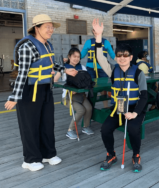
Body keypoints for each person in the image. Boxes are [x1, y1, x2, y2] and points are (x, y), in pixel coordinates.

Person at [4, 14, 77, 171]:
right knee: (30, 126)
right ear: (36, 28)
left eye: (52, 27)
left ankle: (48, 154)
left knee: (47, 123)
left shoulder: (48, 45)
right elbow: (22, 73)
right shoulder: (27, 46)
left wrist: (65, 69)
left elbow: (52, 64)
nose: (51, 30)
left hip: (45, 89)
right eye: (47, 27)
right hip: (29, 90)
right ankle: (30, 159)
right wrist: (15, 96)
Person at [92, 19, 148, 172]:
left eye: (125, 55)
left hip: (136, 108)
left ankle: (136, 155)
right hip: (119, 107)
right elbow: (100, 58)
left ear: (131, 57)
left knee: (133, 129)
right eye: (119, 55)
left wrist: (135, 113)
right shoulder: (113, 70)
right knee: (105, 130)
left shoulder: (138, 73)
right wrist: (98, 37)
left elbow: (144, 96)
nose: (122, 58)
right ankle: (111, 155)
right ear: (116, 57)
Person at [54, 47, 94, 140]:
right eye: (74, 56)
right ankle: (70, 130)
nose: (76, 58)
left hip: (81, 95)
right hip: (68, 97)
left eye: (78, 57)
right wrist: (68, 88)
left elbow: (87, 81)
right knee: (81, 110)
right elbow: (55, 81)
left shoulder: (83, 68)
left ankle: (85, 127)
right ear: (69, 57)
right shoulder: (64, 68)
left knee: (89, 108)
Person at [81, 28, 115, 108]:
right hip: (90, 68)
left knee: (104, 88)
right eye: (95, 30)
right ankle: (90, 109)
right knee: (91, 88)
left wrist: (122, 60)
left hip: (103, 68)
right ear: (93, 31)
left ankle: (105, 107)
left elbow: (112, 55)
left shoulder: (106, 42)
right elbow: (82, 55)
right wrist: (71, 59)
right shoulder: (88, 42)